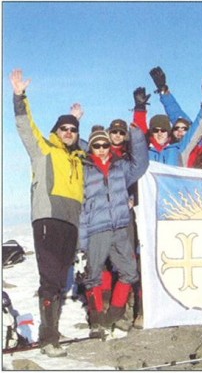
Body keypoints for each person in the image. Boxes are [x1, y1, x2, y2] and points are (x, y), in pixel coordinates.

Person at [10, 68, 85, 357]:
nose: (68, 133)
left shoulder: (77, 157)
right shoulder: (44, 150)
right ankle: (48, 339)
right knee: (50, 279)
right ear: (56, 132)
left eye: (72, 130)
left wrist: (76, 120)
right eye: (63, 129)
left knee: (61, 280)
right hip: (48, 220)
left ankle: (50, 329)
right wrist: (20, 96)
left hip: (70, 222)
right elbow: (25, 127)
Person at [80, 124, 149, 339]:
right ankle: (97, 321)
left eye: (104, 145)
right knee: (93, 276)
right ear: (91, 147)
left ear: (110, 146)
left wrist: (136, 135)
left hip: (119, 227)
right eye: (96, 145)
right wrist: (81, 241)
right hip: (96, 229)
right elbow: (80, 206)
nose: (101, 149)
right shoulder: (83, 169)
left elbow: (141, 163)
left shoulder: (121, 167)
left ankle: (116, 315)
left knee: (129, 272)